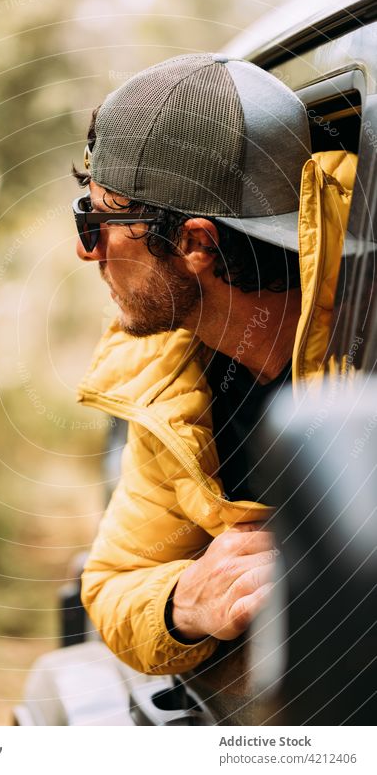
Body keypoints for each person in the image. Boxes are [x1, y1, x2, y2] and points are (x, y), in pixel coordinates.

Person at [71, 53, 355, 675]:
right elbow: (114, 580)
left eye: (95, 222)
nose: (84, 250)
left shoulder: (363, 347)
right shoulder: (169, 379)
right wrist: (182, 603)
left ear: (196, 243)